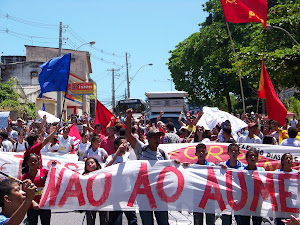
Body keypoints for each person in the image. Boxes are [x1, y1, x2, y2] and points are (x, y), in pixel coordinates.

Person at [125, 108, 170, 225]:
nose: (157, 139)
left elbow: (171, 170)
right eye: (154, 137)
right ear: (148, 139)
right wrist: (129, 118)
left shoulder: (163, 153)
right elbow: (129, 136)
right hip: (145, 195)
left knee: (163, 222)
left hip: (160, 195)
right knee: (147, 222)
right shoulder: (141, 149)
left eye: (158, 137)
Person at [106, 136, 138, 225]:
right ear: (116, 145)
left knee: (132, 219)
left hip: (127, 193)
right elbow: (106, 169)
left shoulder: (128, 157)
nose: (124, 145)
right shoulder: (111, 157)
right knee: (115, 220)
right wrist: (117, 153)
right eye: (122, 144)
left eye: (125, 143)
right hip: (114, 194)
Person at [219, 143, 245, 225]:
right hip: (226, 198)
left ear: (238, 153)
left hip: (239, 199)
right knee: (226, 221)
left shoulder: (243, 168)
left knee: (240, 221)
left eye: (235, 151)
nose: (233, 152)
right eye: (231, 150)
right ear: (228, 153)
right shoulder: (221, 166)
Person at [22, 153, 50, 225]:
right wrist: (33, 202)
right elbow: (24, 193)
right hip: (31, 207)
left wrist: (54, 165)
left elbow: (55, 175)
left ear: (38, 162)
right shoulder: (25, 176)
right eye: (30, 161)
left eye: (35, 161)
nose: (33, 163)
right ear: (27, 162)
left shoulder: (44, 172)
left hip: (45, 205)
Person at [239, 148, 264, 225]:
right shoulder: (240, 171)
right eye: (251, 156)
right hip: (244, 203)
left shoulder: (262, 171)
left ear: (257, 158)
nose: (253, 157)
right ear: (246, 158)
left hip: (257, 203)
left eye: (255, 156)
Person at [193, 143, 215, 225]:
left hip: (210, 198)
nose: (201, 153)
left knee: (210, 221)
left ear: (206, 153)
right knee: (198, 221)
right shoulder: (192, 167)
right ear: (196, 154)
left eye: (203, 151)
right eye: (199, 151)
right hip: (197, 198)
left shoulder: (213, 166)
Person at [83, 157, 108, 225]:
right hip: (90, 202)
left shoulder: (103, 173)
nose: (90, 165)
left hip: (103, 201)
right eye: (87, 164)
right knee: (90, 222)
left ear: (96, 164)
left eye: (92, 163)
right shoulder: (83, 176)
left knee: (104, 221)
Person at [275, 153, 297, 225]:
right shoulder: (276, 173)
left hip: (292, 206)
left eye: (290, 158)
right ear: (282, 161)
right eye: (286, 158)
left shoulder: (297, 174)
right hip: (280, 207)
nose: (288, 160)